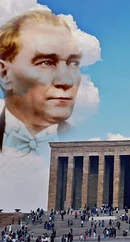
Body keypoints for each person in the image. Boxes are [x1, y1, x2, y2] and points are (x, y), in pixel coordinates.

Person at [0, 10, 82, 155]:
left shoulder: (79, 138)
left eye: (73, 63)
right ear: (4, 74)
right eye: (46, 63)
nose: (67, 81)